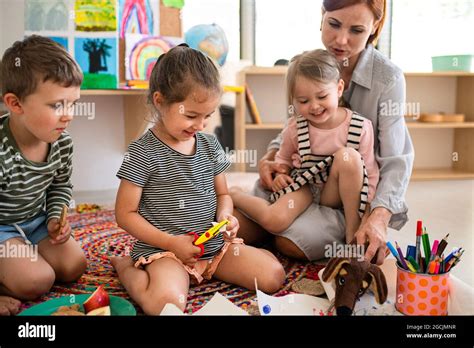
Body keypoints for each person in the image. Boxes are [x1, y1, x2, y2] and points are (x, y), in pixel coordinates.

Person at [234, 0, 414, 265]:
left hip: (346, 198)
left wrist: (376, 216)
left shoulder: (388, 79)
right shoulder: (312, 65)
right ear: (322, 16)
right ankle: (276, 228)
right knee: (237, 221)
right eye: (334, 24)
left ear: (374, 27)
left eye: (356, 30)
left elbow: (396, 160)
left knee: (287, 241)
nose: (341, 40)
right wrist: (271, 159)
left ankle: (290, 233)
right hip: (303, 184)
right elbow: (293, 128)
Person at [111, 44, 285, 315]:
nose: (200, 125)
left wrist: (227, 217)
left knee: (273, 276)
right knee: (166, 305)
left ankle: (205, 271)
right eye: (191, 115)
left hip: (214, 248)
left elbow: (224, 195)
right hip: (166, 252)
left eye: (207, 116)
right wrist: (171, 243)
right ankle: (125, 267)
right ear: (159, 101)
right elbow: (124, 214)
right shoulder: (142, 152)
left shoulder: (209, 144)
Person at [231, 49, 379, 244]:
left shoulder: (361, 127)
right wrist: (281, 174)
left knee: (348, 157)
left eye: (322, 96)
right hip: (304, 187)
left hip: (335, 194)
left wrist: (369, 211)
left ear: (339, 88)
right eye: (304, 101)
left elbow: (370, 173)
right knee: (275, 220)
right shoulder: (295, 126)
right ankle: (235, 193)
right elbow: (282, 161)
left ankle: (352, 233)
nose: (315, 106)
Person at [0, 35, 87, 311]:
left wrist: (54, 217)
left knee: (74, 265)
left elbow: (60, 186)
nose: (69, 115)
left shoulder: (62, 143)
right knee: (37, 281)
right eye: (57, 105)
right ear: (15, 104)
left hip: (34, 221)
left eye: (73, 103)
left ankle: (21, 261)